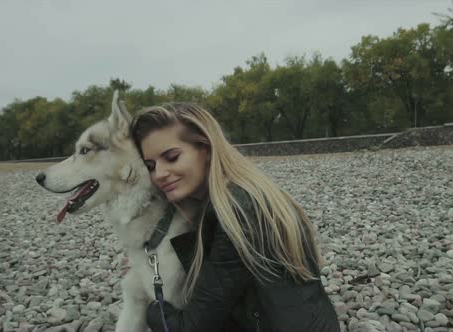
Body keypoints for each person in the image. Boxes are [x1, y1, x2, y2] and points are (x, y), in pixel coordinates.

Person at [130, 102, 339, 332]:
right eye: (150, 165)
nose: (159, 174)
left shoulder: (237, 213)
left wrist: (149, 306)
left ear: (206, 148)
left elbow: (189, 328)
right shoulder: (245, 193)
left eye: (172, 157)